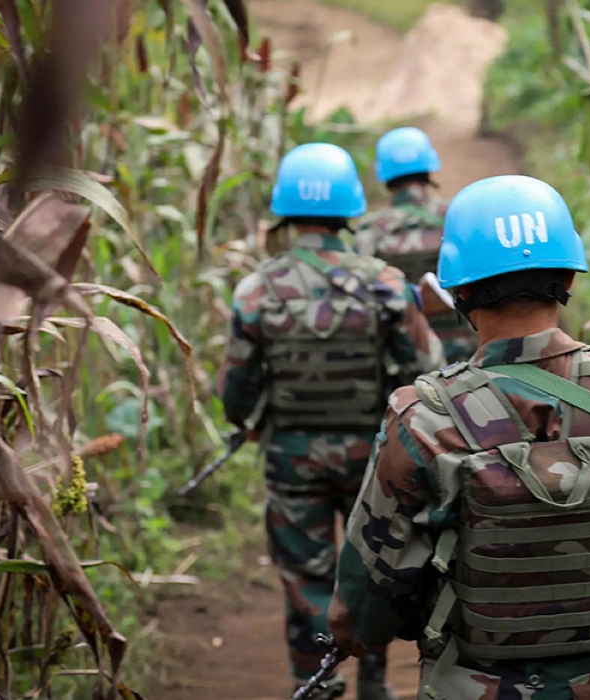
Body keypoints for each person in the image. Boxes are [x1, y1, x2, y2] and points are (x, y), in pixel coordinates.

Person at [327, 175, 590, 700]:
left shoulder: (423, 416)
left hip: (470, 684)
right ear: (567, 274)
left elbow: (365, 605)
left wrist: (360, 632)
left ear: (458, 289)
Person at [216, 142, 445, 700]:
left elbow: (236, 392)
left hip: (292, 457)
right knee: (376, 569)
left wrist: (248, 420)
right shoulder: (385, 283)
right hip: (374, 455)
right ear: (349, 206)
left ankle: (314, 684)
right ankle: (374, 681)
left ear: (285, 211)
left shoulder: (256, 289)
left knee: (305, 578)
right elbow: (425, 367)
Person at [354, 126, 479, 365]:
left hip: (407, 354)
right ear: (429, 167)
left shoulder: (371, 228)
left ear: (385, 176)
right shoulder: (457, 215)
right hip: (467, 349)